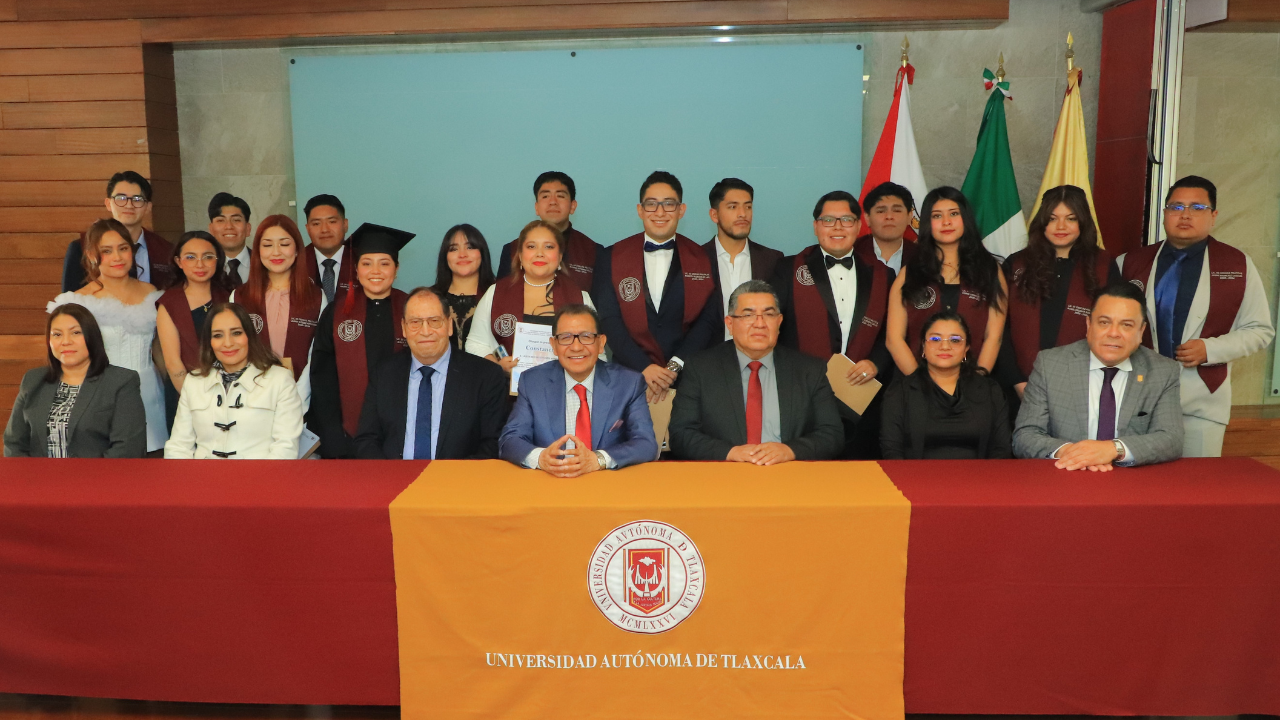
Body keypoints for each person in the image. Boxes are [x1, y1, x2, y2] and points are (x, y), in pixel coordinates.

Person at [1118, 176, 1275, 458]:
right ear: (1164, 213)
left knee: (1197, 480)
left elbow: (1260, 330)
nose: (1185, 215)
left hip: (1201, 401)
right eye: (1176, 207)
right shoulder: (1129, 263)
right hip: (1136, 398)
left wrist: (1210, 349)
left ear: (1214, 216)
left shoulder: (1237, 265)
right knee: (1137, 479)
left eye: (1197, 207)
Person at [773, 190, 893, 458]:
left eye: (846, 220)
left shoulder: (883, 275)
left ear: (859, 226)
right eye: (828, 220)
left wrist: (876, 363)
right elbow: (772, 330)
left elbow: (892, 332)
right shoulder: (787, 269)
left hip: (862, 401)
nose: (838, 227)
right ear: (815, 226)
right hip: (801, 400)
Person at [669, 280, 843, 463]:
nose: (759, 324)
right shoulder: (700, 368)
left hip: (788, 472)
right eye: (748, 315)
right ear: (730, 324)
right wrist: (730, 452)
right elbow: (681, 434)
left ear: (779, 322)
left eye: (768, 314)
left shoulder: (809, 370)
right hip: (725, 473)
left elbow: (832, 434)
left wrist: (790, 451)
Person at [1013, 282, 1184, 469]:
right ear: (1088, 325)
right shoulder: (1050, 364)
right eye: (1104, 322)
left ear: (1141, 331)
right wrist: (1075, 454)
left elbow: (1171, 439)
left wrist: (1113, 449)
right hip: (1068, 475)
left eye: (1126, 325)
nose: (1113, 333)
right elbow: (1025, 436)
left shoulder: (1163, 371)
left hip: (1131, 481)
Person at [593, 171, 721, 402]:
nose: (660, 212)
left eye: (669, 204)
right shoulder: (611, 256)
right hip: (627, 377)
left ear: (681, 210)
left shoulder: (703, 258)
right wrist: (644, 366)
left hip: (686, 380)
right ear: (640, 210)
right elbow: (608, 319)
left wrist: (674, 367)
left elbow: (707, 321)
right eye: (651, 204)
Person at [48, 218, 167, 454]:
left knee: (154, 457)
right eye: (107, 251)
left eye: (123, 248)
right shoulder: (79, 301)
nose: (117, 257)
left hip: (149, 389)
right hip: (100, 393)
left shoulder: (151, 293)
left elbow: (159, 348)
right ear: (92, 255)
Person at [499, 304, 658, 475]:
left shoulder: (628, 383)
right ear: (554, 345)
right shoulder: (533, 382)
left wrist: (598, 460)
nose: (576, 347)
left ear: (601, 343)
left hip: (606, 482)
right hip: (551, 482)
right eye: (566, 337)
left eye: (586, 336)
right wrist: (540, 458)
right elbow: (510, 439)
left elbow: (646, 443)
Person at [354, 287, 508, 460]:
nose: (425, 331)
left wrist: (449, 476)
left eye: (434, 321)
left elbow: (492, 444)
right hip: (393, 475)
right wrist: (389, 474)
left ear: (449, 325)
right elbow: (367, 440)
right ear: (404, 328)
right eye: (415, 322)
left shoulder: (485, 376)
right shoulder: (384, 373)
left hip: (458, 476)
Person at [1000, 185, 1119, 399]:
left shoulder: (1103, 266)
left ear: (1083, 221)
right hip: (1017, 388)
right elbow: (999, 328)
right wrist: (1017, 382)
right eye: (1052, 218)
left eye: (1071, 218)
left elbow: (1113, 329)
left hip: (1082, 390)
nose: (1061, 226)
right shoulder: (1016, 263)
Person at [307, 223, 413, 458]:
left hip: (404, 433)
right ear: (356, 270)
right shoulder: (336, 313)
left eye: (384, 263)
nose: (375, 271)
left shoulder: (412, 309)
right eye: (367, 263)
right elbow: (323, 378)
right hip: (346, 437)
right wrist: (332, 433)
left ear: (396, 269)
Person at [887, 186, 1007, 376]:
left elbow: (994, 337)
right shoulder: (910, 272)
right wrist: (920, 384)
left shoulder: (989, 270)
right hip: (915, 383)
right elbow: (894, 339)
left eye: (953, 214)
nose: (946, 222)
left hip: (973, 384)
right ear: (927, 223)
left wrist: (975, 383)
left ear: (966, 219)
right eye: (937, 216)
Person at [4, 304, 146, 458]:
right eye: (57, 334)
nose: (66, 341)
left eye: (76, 332)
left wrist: (87, 474)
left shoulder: (121, 382)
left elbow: (128, 448)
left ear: (92, 336)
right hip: (38, 473)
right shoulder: (33, 380)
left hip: (101, 473)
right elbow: (14, 443)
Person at [165, 303, 304, 459]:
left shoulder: (280, 380)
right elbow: (178, 447)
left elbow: (285, 448)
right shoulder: (193, 382)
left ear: (249, 336)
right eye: (218, 335)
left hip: (259, 474)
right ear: (209, 341)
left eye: (236, 333)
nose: (228, 343)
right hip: (204, 473)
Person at [880, 311, 1011, 459]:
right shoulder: (900, 392)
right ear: (923, 346)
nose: (945, 346)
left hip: (979, 473)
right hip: (915, 473)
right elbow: (892, 451)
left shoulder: (990, 390)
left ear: (966, 348)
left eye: (955, 340)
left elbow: (1001, 449)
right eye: (935, 339)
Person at [465, 220, 592, 368]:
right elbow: (475, 344)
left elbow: (596, 350)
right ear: (520, 255)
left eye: (548, 247)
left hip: (565, 381)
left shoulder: (580, 297)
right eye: (531, 246)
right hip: (508, 382)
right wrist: (497, 366)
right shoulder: (495, 293)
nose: (540, 253)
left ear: (559, 256)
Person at [231, 215, 324, 410]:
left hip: (301, 401)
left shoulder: (316, 297)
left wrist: (296, 396)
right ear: (258, 251)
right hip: (250, 400)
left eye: (284, 244)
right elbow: (233, 351)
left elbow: (317, 354)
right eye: (267, 245)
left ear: (297, 249)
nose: (276, 252)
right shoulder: (239, 297)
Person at [156, 231, 231, 426]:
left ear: (218, 260)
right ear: (178, 262)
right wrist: (199, 404)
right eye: (190, 257)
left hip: (231, 394)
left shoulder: (230, 297)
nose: (200, 264)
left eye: (208, 257)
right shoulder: (170, 303)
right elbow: (173, 363)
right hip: (186, 397)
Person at [61, 171, 175, 292]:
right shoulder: (82, 247)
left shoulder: (166, 250)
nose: (129, 205)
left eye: (137, 199)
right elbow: (70, 299)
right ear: (108, 204)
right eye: (121, 198)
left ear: (148, 207)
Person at [702, 177, 784, 339]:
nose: (743, 214)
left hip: (759, 351)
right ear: (714, 214)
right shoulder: (695, 259)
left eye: (748, 207)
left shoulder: (773, 260)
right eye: (733, 207)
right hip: (709, 353)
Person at [496, 172, 601, 292]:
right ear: (537, 207)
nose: (553, 202)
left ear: (572, 206)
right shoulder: (513, 249)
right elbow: (501, 295)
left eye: (560, 196)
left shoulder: (593, 251)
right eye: (545, 196)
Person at [431, 223, 495, 351]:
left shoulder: (499, 295)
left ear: (482, 253)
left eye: (470, 247)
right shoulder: (430, 297)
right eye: (453, 249)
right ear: (445, 256)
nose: (462, 254)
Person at [854, 181, 918, 273]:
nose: (889, 216)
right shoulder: (852, 252)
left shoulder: (922, 257)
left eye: (897, 210)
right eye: (881, 211)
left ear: (909, 216)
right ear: (867, 218)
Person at [301, 194, 353, 304]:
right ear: (308, 229)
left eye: (332, 222)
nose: (324, 230)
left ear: (345, 224)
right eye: (316, 223)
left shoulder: (362, 260)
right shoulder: (296, 263)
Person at [207, 192, 253, 288]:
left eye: (236, 220)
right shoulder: (203, 266)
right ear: (211, 229)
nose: (229, 226)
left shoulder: (264, 264)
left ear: (248, 229)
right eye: (221, 220)